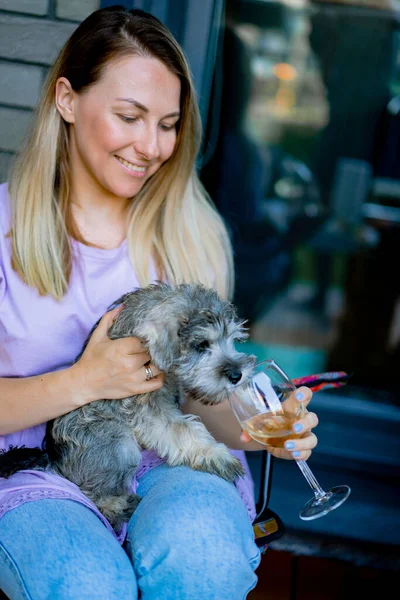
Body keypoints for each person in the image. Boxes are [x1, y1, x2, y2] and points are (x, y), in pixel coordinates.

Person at [0, 6, 319, 599]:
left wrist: (261, 427)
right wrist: (85, 380)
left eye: (169, 124)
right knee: (86, 584)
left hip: (165, 455)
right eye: (130, 116)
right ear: (67, 100)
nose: (152, 146)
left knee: (206, 559)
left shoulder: (189, 234)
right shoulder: (3, 229)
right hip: (23, 474)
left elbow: (205, 404)